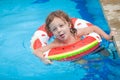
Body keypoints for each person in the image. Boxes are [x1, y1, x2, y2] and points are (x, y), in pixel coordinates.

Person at [33, 10, 114, 64]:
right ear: (51, 32)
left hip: (91, 48)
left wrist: (107, 37)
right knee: (84, 64)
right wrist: (43, 59)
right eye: (54, 29)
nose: (59, 30)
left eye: (61, 25)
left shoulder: (75, 33)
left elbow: (94, 28)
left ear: (68, 25)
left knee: (107, 55)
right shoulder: (56, 43)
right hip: (74, 56)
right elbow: (37, 51)